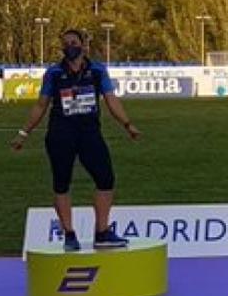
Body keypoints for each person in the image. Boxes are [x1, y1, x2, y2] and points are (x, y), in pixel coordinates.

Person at [10, 29, 141, 251]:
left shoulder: (98, 70)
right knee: (61, 183)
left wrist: (127, 124)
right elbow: (41, 105)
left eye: (73, 42)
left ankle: (102, 232)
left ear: (83, 45)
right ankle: (69, 234)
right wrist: (24, 133)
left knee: (106, 178)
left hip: (89, 133)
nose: (69, 46)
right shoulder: (53, 73)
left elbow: (111, 99)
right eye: (66, 43)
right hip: (61, 133)